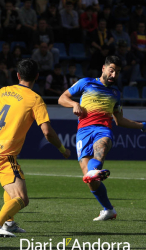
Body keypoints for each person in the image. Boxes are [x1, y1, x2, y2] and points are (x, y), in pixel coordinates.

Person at [0, 58, 71, 237]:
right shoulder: (35, 99)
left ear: (17, 75)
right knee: (21, 198)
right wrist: (62, 149)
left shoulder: (3, 91)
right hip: (3, 156)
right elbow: (47, 132)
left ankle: (9, 223)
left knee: (10, 189)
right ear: (37, 76)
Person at [58, 55, 146, 221]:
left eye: (118, 72)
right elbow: (62, 98)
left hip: (103, 129)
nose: (114, 75)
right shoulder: (86, 82)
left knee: (102, 146)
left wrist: (142, 125)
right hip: (83, 132)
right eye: (112, 70)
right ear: (103, 68)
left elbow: (119, 121)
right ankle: (108, 210)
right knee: (90, 179)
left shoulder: (115, 93)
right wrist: (74, 104)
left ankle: (95, 170)